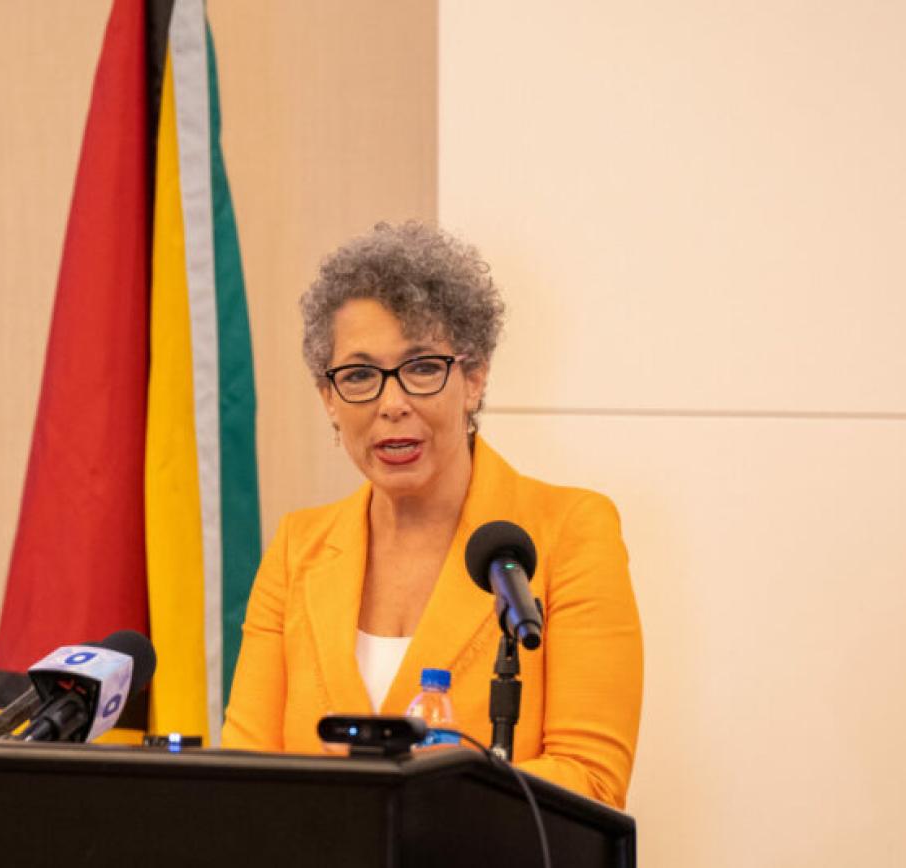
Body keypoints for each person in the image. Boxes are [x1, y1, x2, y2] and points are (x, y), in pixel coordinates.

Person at [222, 222, 643, 809]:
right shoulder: (299, 548)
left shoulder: (569, 532)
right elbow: (244, 777)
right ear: (329, 399)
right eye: (361, 375)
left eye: (422, 368)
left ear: (474, 378)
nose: (392, 404)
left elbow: (590, 780)